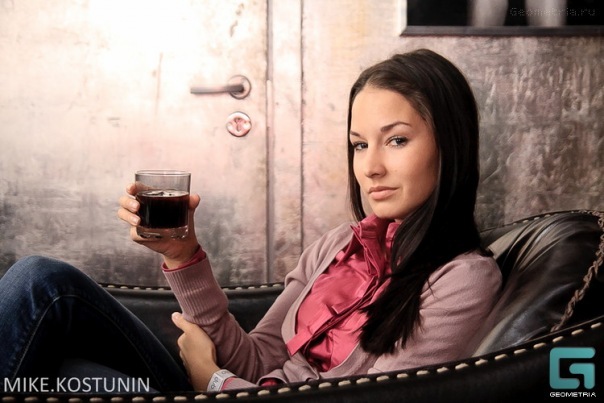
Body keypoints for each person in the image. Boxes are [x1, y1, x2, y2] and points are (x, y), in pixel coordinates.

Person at [0, 48, 502, 394]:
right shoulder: (336, 247)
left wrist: (211, 378)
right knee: (46, 300)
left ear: (450, 145)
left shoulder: (462, 280)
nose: (370, 166)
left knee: (48, 315)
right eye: (358, 144)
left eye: (396, 140)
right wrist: (182, 255)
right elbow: (259, 359)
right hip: (230, 388)